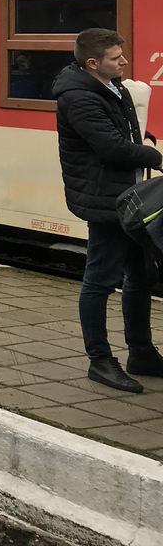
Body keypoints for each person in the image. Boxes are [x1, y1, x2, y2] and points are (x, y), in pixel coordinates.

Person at [55, 28, 163, 392]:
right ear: (92, 63)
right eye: (117, 58)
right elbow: (112, 148)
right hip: (105, 202)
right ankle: (100, 361)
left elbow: (127, 134)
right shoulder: (80, 98)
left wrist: (143, 139)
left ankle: (142, 353)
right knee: (99, 281)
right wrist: (154, 155)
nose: (125, 62)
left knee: (141, 276)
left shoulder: (109, 87)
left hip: (127, 197)